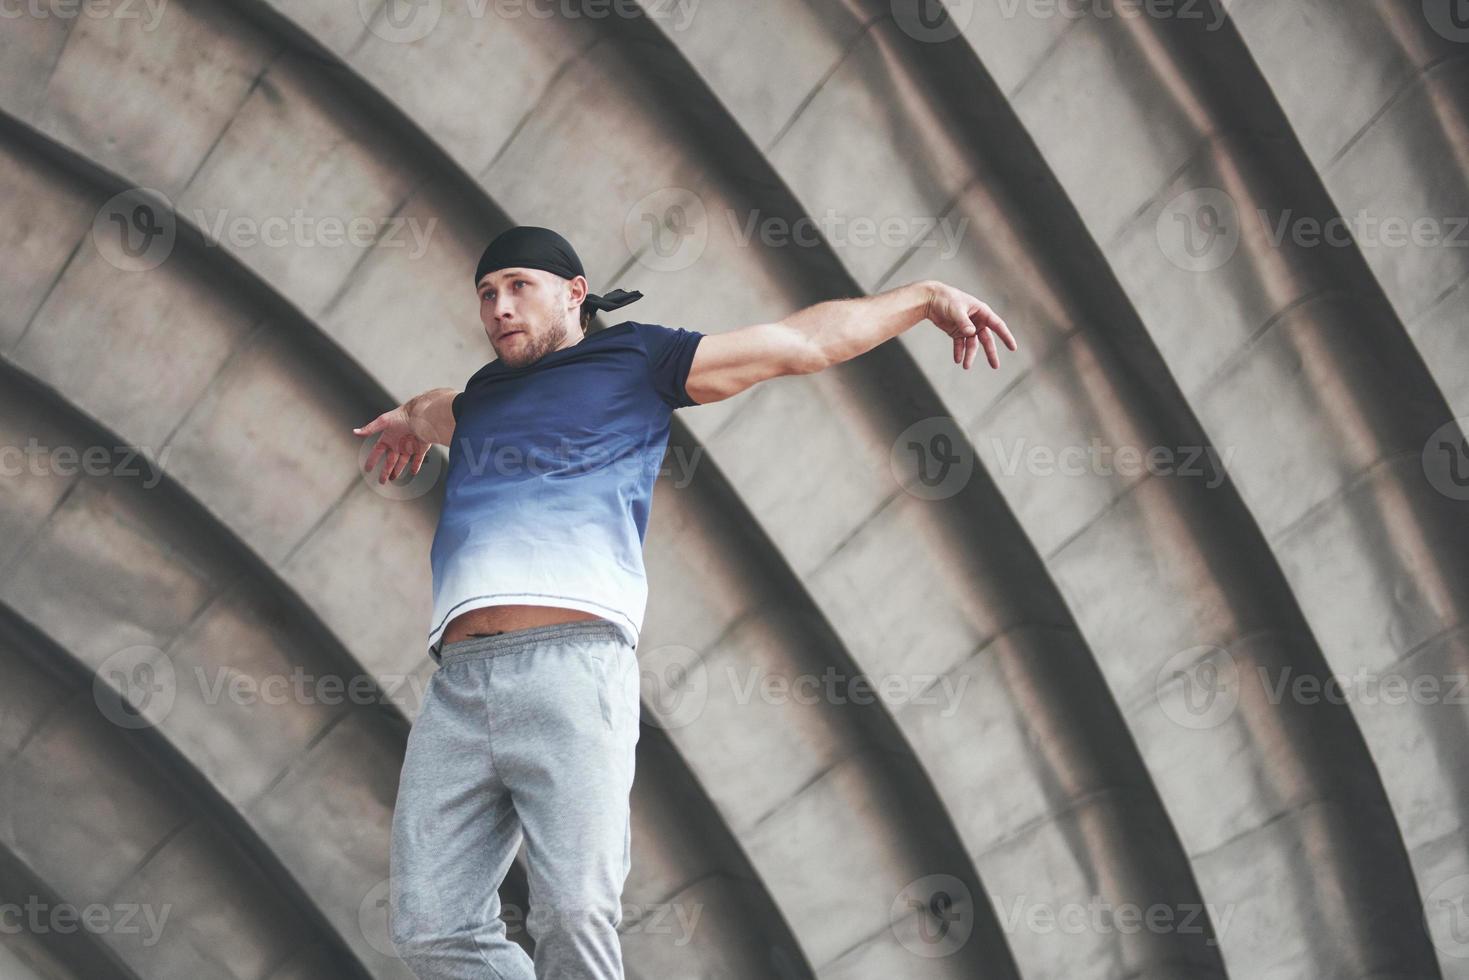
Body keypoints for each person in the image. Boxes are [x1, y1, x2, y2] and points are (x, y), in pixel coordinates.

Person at [351, 225, 1014, 979]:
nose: (499, 307)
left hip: (572, 668)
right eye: (486, 293)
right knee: (431, 930)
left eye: (518, 287)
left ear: (573, 293)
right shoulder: (482, 399)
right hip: (459, 685)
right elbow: (435, 406)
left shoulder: (638, 359)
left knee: (573, 913)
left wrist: (923, 298)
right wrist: (407, 419)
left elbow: (798, 343)